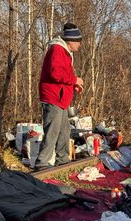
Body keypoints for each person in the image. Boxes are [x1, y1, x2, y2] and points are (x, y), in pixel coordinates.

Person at [35, 23, 84, 169]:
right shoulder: (57, 49)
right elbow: (55, 74)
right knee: (52, 130)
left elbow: (62, 74)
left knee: (64, 130)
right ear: (70, 41)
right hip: (53, 97)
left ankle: (63, 160)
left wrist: (72, 84)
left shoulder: (65, 52)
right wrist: (74, 79)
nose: (80, 44)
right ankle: (41, 163)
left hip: (61, 98)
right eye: (78, 41)